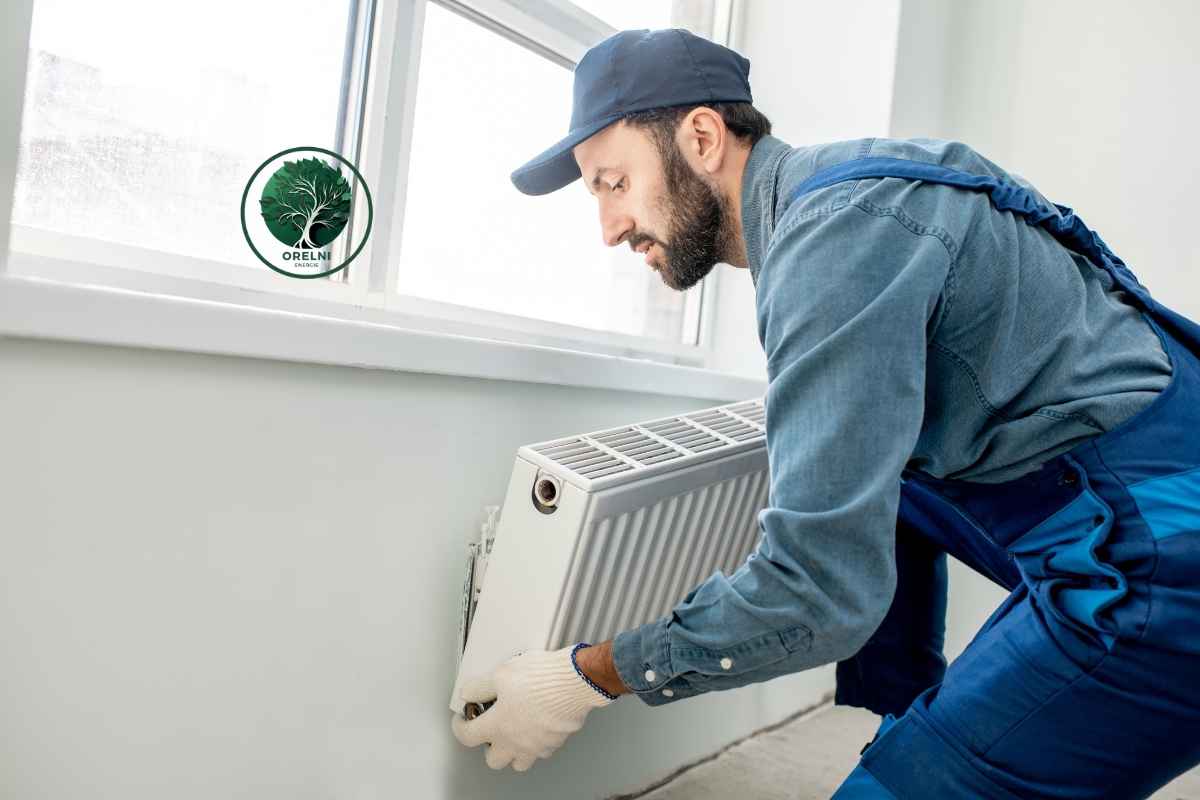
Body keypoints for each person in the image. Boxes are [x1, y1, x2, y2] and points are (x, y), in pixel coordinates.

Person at [450, 27, 1200, 798]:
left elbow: (816, 589)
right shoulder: (864, 181)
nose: (609, 229)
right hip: (1153, 471)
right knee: (873, 466)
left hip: (1165, 556)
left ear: (702, 138)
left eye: (614, 183)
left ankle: (930, 763)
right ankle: (909, 720)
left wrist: (586, 676)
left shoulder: (830, 248)